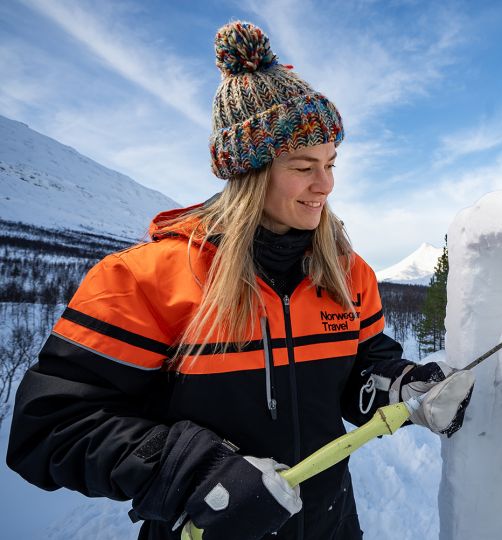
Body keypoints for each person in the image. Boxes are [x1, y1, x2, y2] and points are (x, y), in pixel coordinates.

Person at [6, 20, 474, 540]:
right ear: (250, 174)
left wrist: (399, 385)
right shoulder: (144, 279)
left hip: (331, 527)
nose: (325, 185)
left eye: (330, 163)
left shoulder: (347, 274)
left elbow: (364, 365)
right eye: (303, 166)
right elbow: (50, 427)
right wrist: (192, 471)